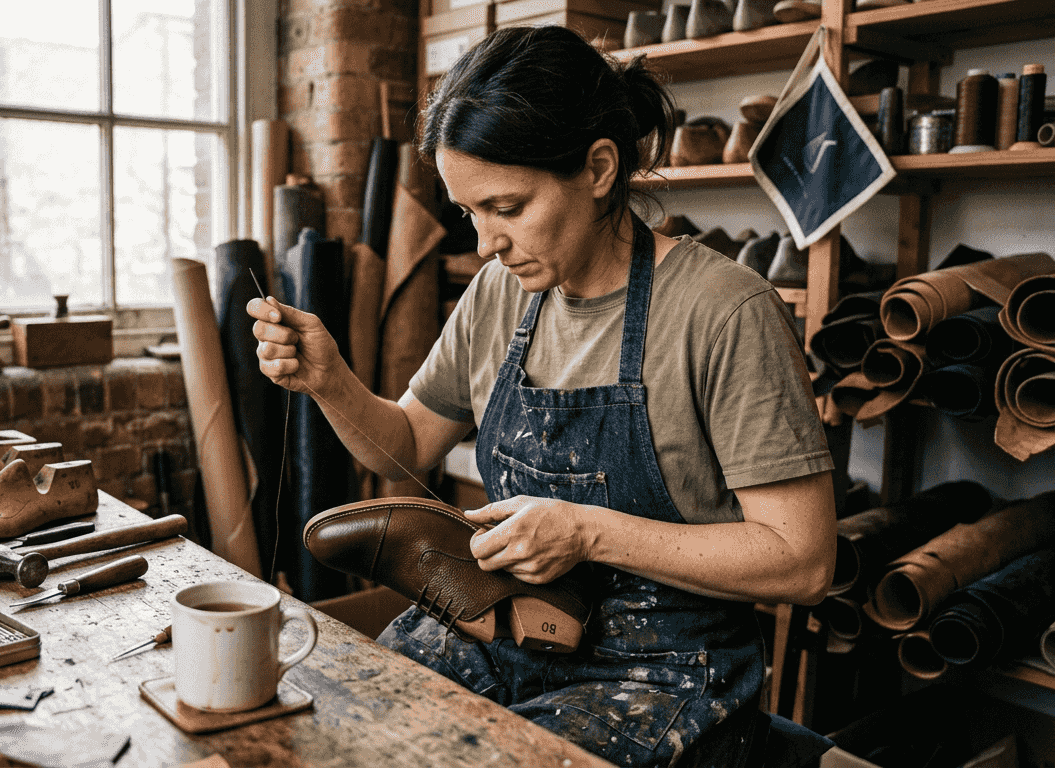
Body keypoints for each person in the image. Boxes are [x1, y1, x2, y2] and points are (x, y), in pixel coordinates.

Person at [247, 25, 835, 768]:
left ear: (598, 168)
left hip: (666, 675)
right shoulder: (498, 293)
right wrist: (330, 381)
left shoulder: (724, 312)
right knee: (335, 722)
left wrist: (586, 532)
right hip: (506, 632)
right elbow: (407, 446)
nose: (486, 243)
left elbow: (801, 560)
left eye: (508, 206)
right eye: (471, 213)